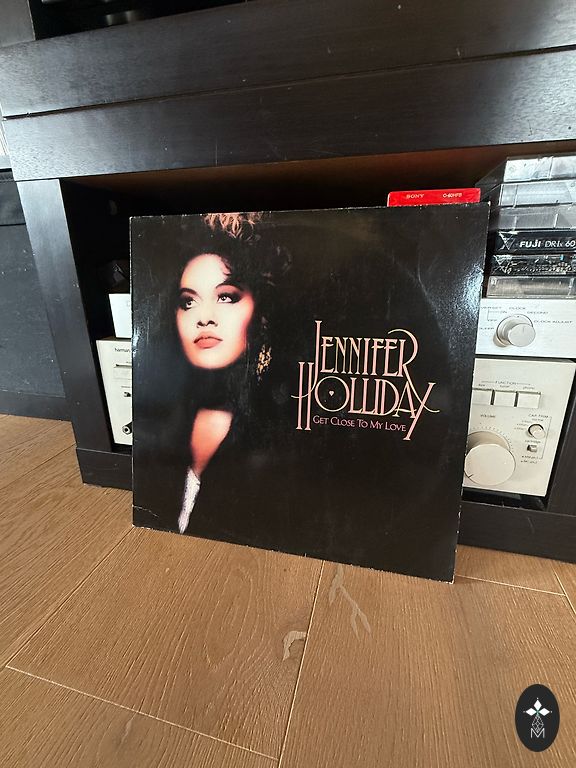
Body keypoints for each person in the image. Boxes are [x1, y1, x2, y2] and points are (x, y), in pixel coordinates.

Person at [170, 212, 284, 534]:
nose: (204, 317)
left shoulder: (281, 429)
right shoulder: (164, 421)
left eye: (225, 296)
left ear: (262, 312)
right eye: (188, 302)